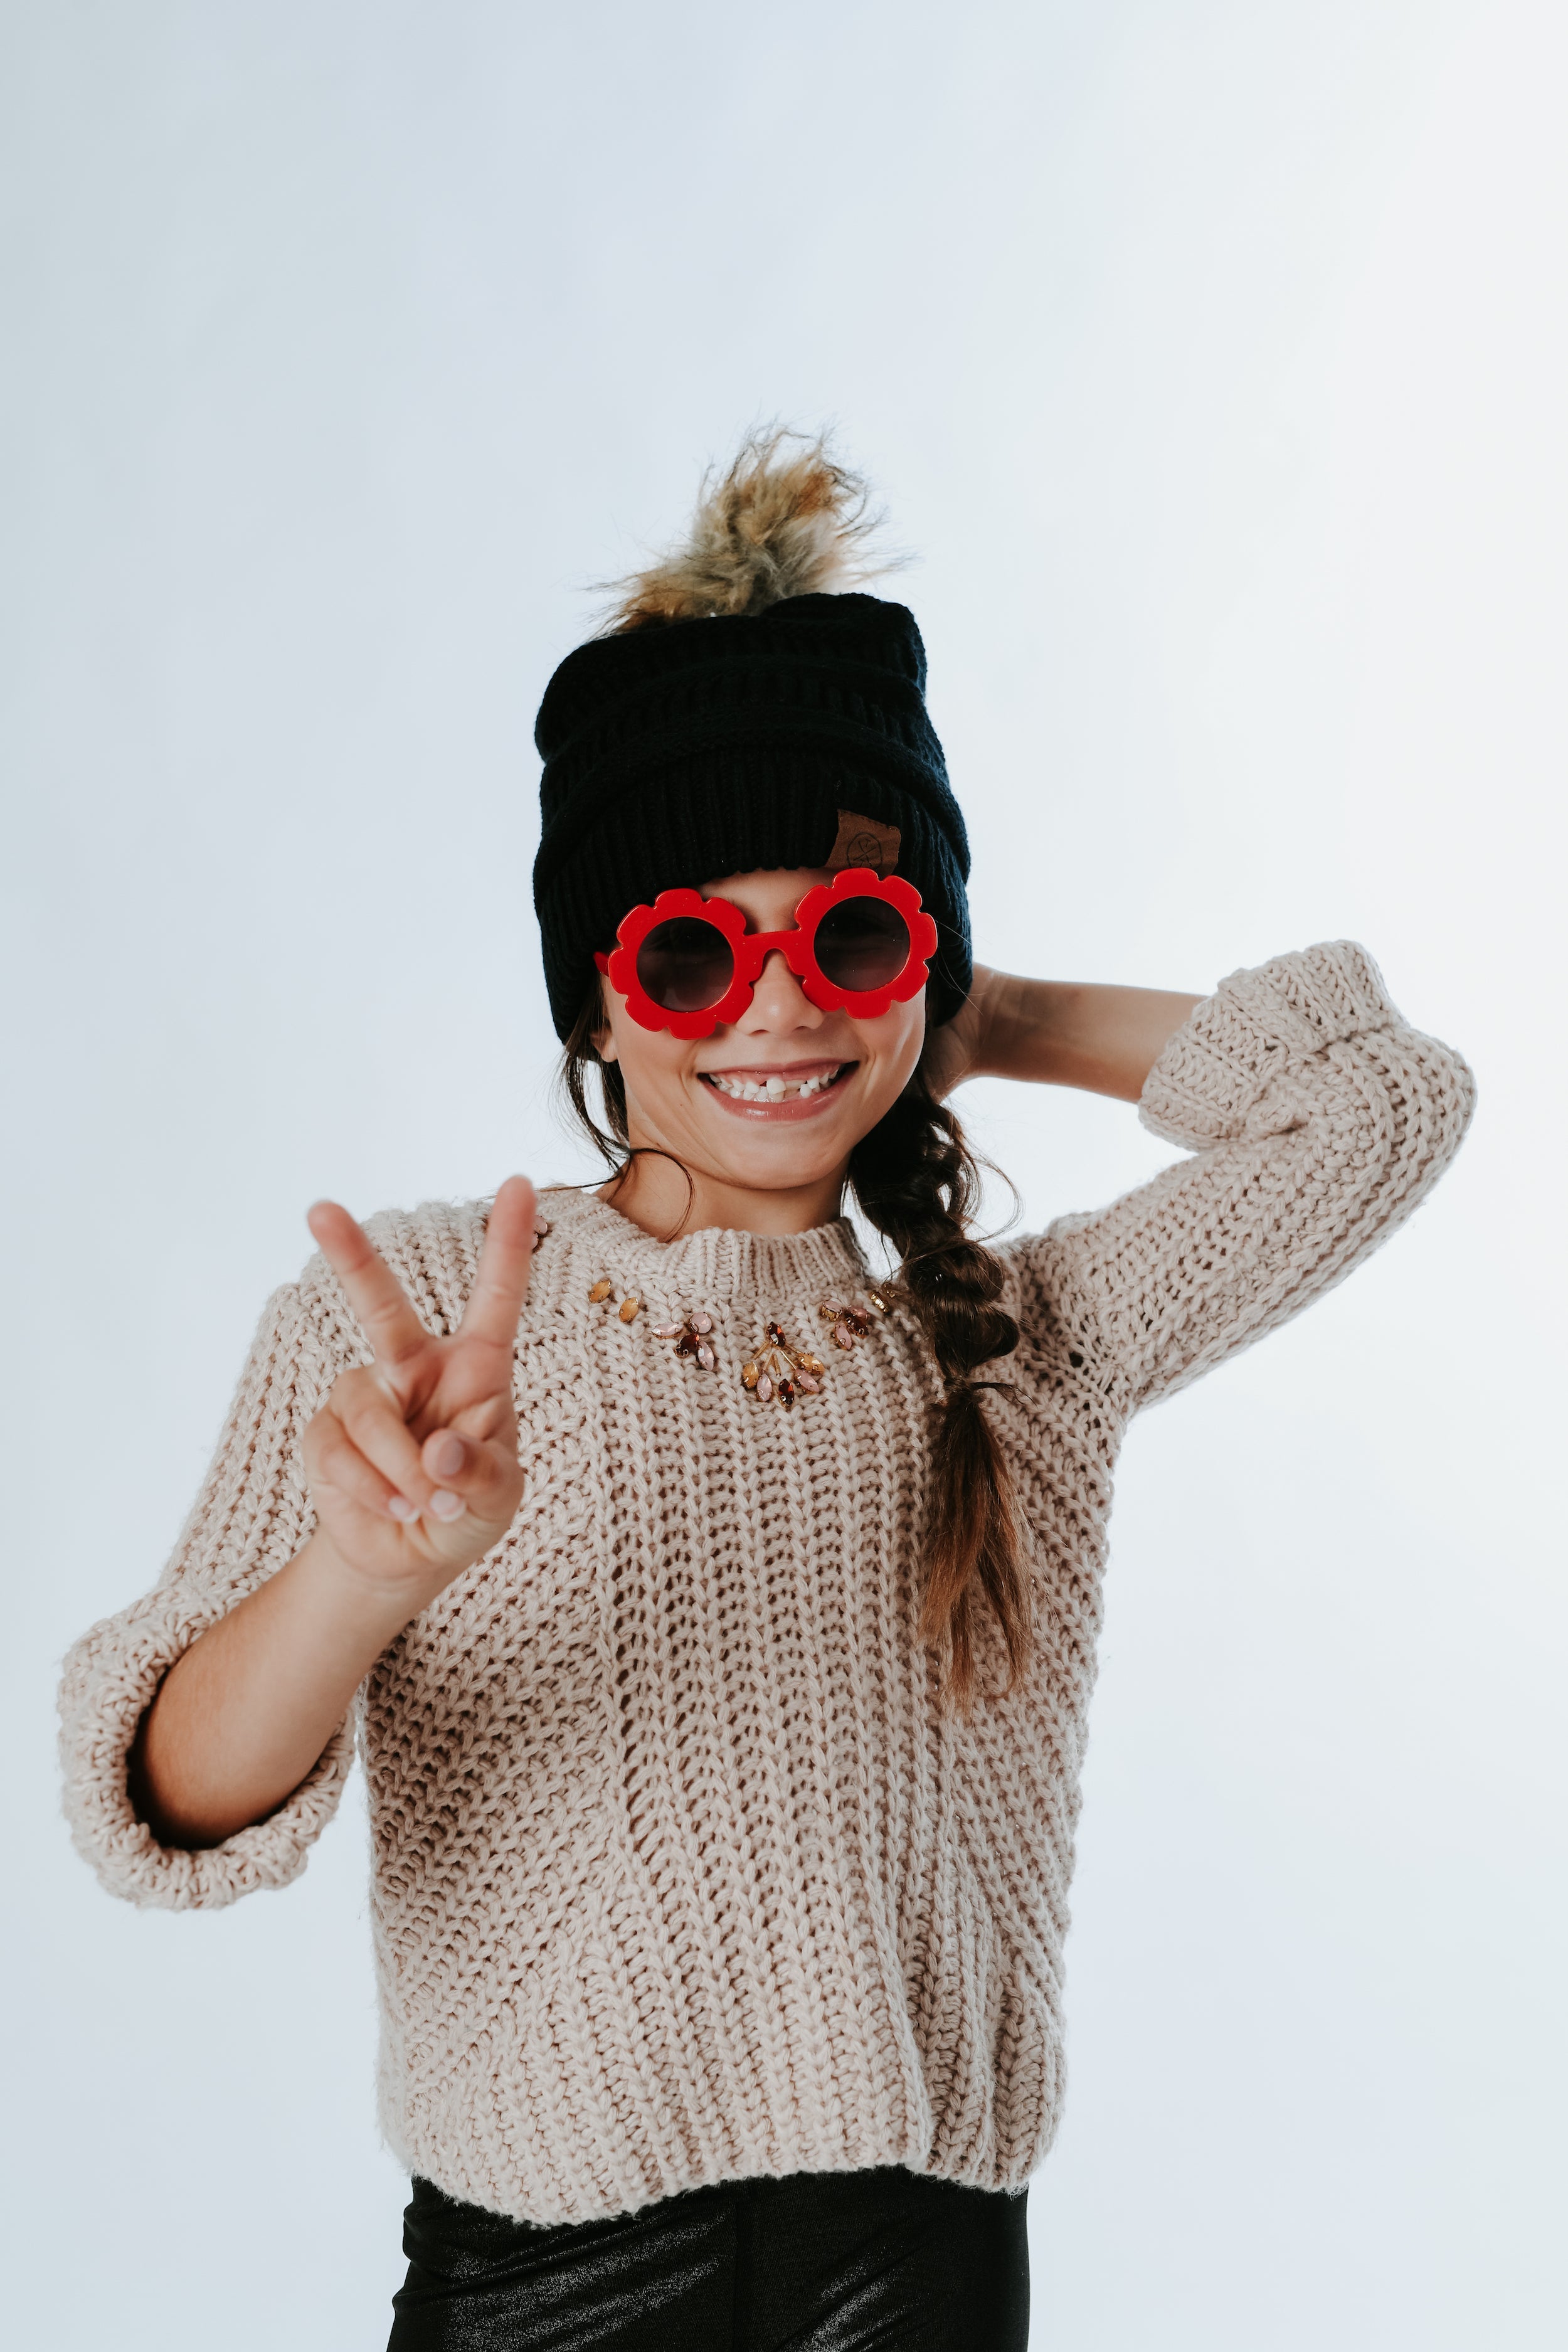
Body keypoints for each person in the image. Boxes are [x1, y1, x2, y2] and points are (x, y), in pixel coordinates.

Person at [58, 432, 1475, 2351]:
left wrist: (992, 1012)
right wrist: (361, 1577)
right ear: (595, 997)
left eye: (852, 937)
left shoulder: (1010, 1349)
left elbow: (1380, 1103)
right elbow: (162, 1807)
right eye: (694, 952)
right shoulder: (400, 1326)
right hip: (542, 2275)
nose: (780, 1011)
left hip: (917, 2267)